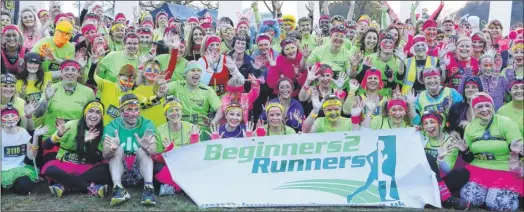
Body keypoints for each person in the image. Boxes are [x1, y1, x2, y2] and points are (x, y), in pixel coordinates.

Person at [459, 92, 523, 211]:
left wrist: (513, 148)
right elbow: (469, 158)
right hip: (478, 171)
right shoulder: (470, 127)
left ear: (492, 106)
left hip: (504, 170)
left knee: (497, 204)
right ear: (474, 109)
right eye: (479, 106)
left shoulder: (505, 122)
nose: (484, 109)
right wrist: (465, 150)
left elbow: (517, 146)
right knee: (470, 198)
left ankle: (506, 197)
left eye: (487, 105)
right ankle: (488, 193)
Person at [41, 101, 111, 198]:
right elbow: (46, 146)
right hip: (64, 164)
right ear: (85, 113)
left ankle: (65, 185)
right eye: (90, 111)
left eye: (98, 112)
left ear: (102, 116)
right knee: (50, 169)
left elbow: (95, 159)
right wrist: (58, 135)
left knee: (105, 168)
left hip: (86, 167)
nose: (94, 115)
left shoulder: (103, 131)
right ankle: (91, 187)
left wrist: (87, 143)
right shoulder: (71, 125)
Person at [34, 60, 96, 165]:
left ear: (78, 73)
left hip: (76, 141)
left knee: (74, 172)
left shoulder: (88, 92)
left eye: (73, 70)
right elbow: (37, 114)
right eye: (66, 69)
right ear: (61, 73)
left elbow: (92, 118)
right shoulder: (51, 89)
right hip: (52, 141)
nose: (70, 72)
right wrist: (46, 99)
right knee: (53, 170)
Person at [102, 93, 159, 206]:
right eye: (129, 109)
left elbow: (153, 151)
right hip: (119, 170)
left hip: (139, 171)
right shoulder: (112, 126)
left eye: (136, 109)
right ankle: (118, 189)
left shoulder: (146, 124)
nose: (133, 114)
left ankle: (148, 189)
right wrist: (112, 149)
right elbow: (105, 154)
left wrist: (147, 147)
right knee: (117, 150)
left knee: (141, 151)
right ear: (121, 111)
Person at [157, 61, 221, 141]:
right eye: (193, 70)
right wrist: (158, 84)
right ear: (185, 73)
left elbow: (220, 108)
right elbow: (160, 91)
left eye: (199, 71)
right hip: (181, 129)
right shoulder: (177, 85)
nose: (196, 73)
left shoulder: (208, 90)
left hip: (201, 129)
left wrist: (214, 121)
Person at [421, 111, 472, 210]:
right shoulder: (421, 137)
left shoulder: (450, 141)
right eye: (425, 123)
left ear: (440, 124)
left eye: (432, 122)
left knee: (463, 173)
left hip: (442, 180)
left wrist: (440, 160)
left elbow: (448, 170)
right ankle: (445, 198)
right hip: (424, 179)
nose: (429, 126)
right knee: (428, 157)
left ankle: (434, 197)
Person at [154, 96, 200, 196]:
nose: (175, 113)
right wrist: (168, 152)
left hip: (187, 165)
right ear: (165, 114)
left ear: (182, 112)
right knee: (156, 167)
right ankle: (184, 186)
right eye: (170, 111)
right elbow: (157, 157)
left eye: (177, 110)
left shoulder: (192, 127)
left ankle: (174, 187)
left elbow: (197, 155)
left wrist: (194, 141)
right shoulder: (159, 130)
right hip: (169, 166)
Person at [1, 104, 45, 195]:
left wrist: (35, 137)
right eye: (6, 116)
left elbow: (31, 156)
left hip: (19, 169)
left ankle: (12, 186)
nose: (10, 119)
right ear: (1, 120)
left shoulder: (22, 132)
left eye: (13, 116)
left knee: (25, 186)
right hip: (2, 170)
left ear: (18, 118)